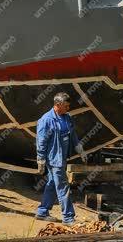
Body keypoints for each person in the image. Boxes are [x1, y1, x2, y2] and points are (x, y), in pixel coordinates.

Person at [35, 92, 87, 225]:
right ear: (58, 105)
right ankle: (68, 218)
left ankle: (42, 212)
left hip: (62, 157)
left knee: (52, 184)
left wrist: (79, 149)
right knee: (63, 187)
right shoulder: (46, 120)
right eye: (66, 106)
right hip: (54, 159)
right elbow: (41, 141)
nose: (68, 108)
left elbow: (73, 134)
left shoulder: (67, 117)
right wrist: (40, 159)